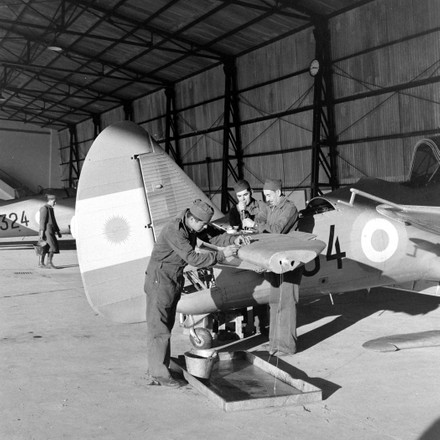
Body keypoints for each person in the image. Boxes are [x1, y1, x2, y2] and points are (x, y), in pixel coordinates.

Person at [144, 199, 249, 388]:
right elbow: (193, 258)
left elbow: (213, 236)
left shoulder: (193, 225)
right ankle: (159, 374)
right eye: (203, 224)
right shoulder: (174, 231)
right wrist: (221, 255)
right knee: (159, 329)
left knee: (165, 326)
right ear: (193, 219)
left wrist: (234, 239)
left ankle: (157, 368)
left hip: (172, 279)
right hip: (160, 280)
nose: (205, 227)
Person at [243, 178, 301, 355]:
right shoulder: (270, 207)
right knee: (275, 303)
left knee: (287, 303)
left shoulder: (290, 208)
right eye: (265, 196)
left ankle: (287, 347)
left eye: (269, 195)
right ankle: (275, 344)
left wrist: (254, 225)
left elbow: (276, 229)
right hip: (273, 261)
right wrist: (248, 216)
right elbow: (261, 217)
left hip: (288, 262)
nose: (267, 199)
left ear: (278, 192)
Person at [38, 194, 62, 269]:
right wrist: (41, 233)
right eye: (54, 201)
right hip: (46, 231)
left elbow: (54, 221)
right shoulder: (44, 208)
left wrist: (58, 231)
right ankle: (45, 263)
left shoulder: (50, 208)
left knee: (48, 247)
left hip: (50, 231)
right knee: (51, 247)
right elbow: (42, 221)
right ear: (50, 200)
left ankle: (44, 263)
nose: (55, 203)